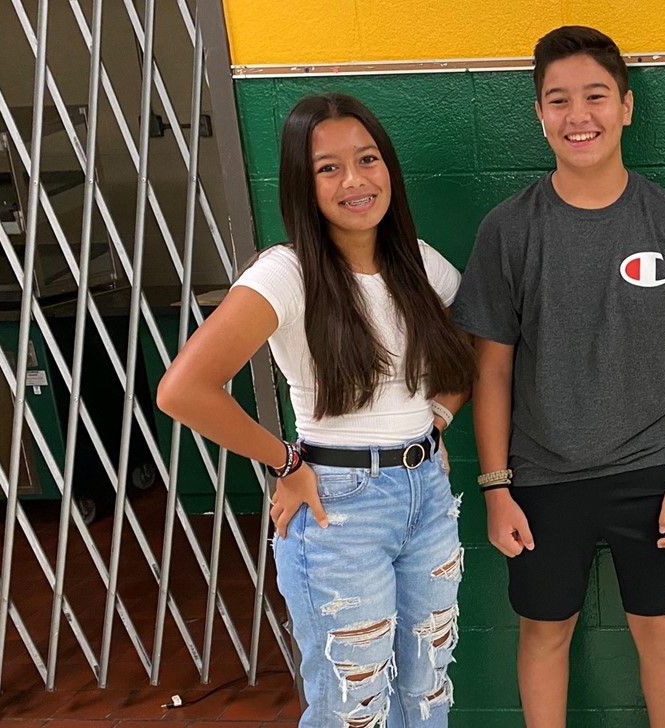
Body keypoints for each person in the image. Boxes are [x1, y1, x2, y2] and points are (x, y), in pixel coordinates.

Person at [156, 93, 474, 726]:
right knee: (351, 708)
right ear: (303, 183)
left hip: (428, 496)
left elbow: (473, 350)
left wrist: (437, 420)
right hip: (338, 507)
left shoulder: (418, 263)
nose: (354, 180)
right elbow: (182, 390)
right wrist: (287, 460)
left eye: (368, 159)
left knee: (427, 691)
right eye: (328, 168)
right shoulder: (287, 272)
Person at [449, 26, 665, 728]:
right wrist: (495, 488)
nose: (580, 116)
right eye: (559, 99)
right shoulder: (509, 231)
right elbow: (492, 371)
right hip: (541, 479)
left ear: (627, 107)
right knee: (545, 635)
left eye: (596, 96)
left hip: (654, 472)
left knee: (662, 633)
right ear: (539, 114)